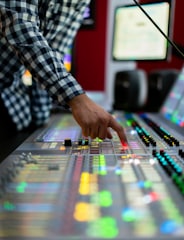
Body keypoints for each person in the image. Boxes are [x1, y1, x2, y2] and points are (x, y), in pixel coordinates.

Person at [0, 0, 127, 143]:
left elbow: (55, 52)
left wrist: (40, 121)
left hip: (10, 97)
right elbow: (20, 29)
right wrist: (78, 100)